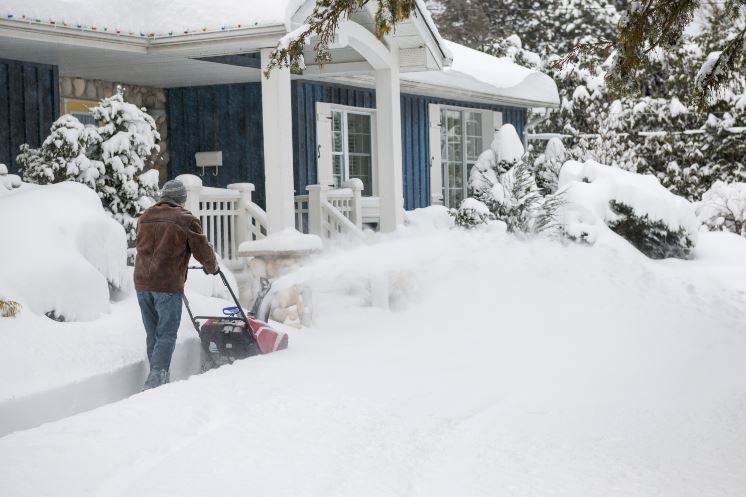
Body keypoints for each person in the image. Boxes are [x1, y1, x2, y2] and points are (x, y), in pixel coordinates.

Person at [134, 179, 218, 390]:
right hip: (167, 285)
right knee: (167, 334)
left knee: (153, 333)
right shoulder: (186, 219)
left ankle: (159, 377)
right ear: (182, 199)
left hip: (142, 283)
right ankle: (156, 381)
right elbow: (202, 249)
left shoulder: (145, 217)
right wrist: (211, 266)